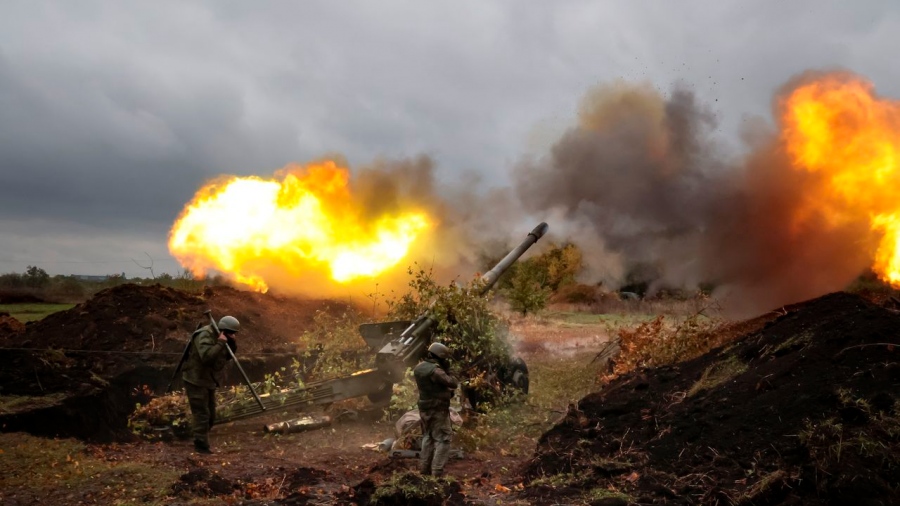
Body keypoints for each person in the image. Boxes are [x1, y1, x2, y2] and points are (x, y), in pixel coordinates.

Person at [181, 315, 240, 454]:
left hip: (208, 379)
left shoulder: (222, 336)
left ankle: (200, 437)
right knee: (202, 414)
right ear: (223, 330)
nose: (232, 335)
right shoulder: (205, 335)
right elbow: (206, 357)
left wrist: (231, 343)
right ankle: (201, 447)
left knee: (211, 415)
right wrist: (220, 343)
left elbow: (226, 356)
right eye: (230, 332)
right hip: (195, 379)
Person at [413, 342, 459, 477]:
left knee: (428, 438)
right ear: (440, 356)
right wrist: (451, 370)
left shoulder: (419, 368)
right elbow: (453, 383)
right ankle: (437, 473)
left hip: (425, 409)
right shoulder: (436, 371)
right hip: (437, 409)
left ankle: (424, 471)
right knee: (443, 439)